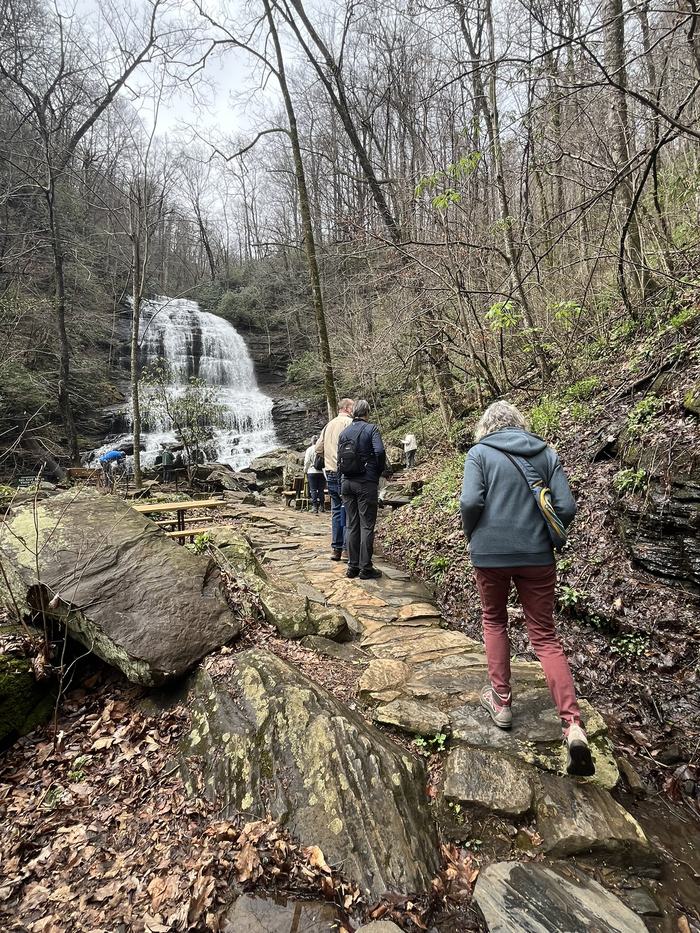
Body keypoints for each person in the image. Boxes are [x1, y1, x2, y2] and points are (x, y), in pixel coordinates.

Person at [459, 400, 594, 777]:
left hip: (489, 554)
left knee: (494, 620)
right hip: (537, 554)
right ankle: (572, 724)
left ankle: (501, 701)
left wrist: (473, 533)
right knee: (545, 636)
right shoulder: (545, 451)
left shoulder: (479, 453)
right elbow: (565, 507)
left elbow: (471, 500)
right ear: (519, 423)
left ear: (486, 426)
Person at [339, 399, 386, 580]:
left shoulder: (344, 433)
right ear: (367, 413)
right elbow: (380, 451)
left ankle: (352, 567)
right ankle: (366, 568)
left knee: (352, 525)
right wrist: (377, 471)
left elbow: (339, 460)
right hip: (366, 482)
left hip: (347, 483)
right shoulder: (371, 429)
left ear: (353, 413)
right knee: (367, 525)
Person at [315, 398, 354, 560]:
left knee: (336, 509)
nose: (354, 410)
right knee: (348, 508)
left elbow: (318, 448)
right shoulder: (350, 423)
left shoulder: (328, 425)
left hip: (330, 471)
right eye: (352, 407)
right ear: (347, 408)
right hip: (345, 471)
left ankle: (336, 549)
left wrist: (329, 457)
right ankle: (346, 549)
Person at [303, 435, 325, 513]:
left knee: (313, 490)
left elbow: (307, 461)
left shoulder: (309, 449)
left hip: (311, 472)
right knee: (321, 490)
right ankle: (322, 506)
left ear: (312, 441)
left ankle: (315, 507)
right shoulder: (322, 449)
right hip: (322, 472)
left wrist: (305, 470)